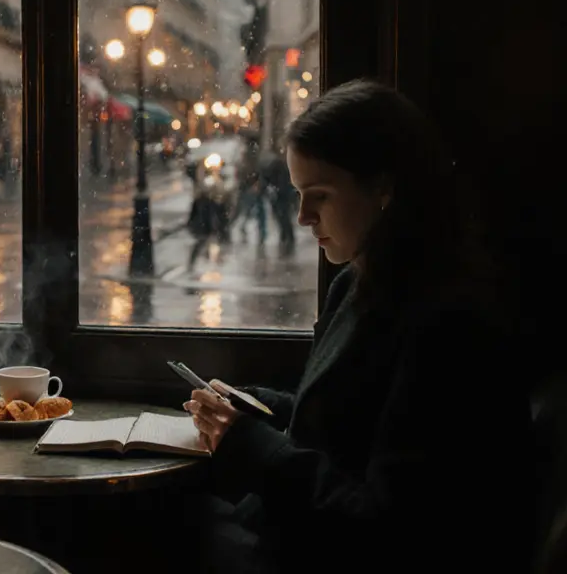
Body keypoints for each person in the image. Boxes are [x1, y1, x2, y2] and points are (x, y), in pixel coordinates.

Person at [183, 80, 533, 574]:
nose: (303, 217)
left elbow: (389, 524)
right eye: (300, 194)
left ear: (385, 189)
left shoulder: (451, 323)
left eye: (319, 195)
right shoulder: (360, 283)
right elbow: (346, 414)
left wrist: (250, 443)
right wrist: (255, 405)